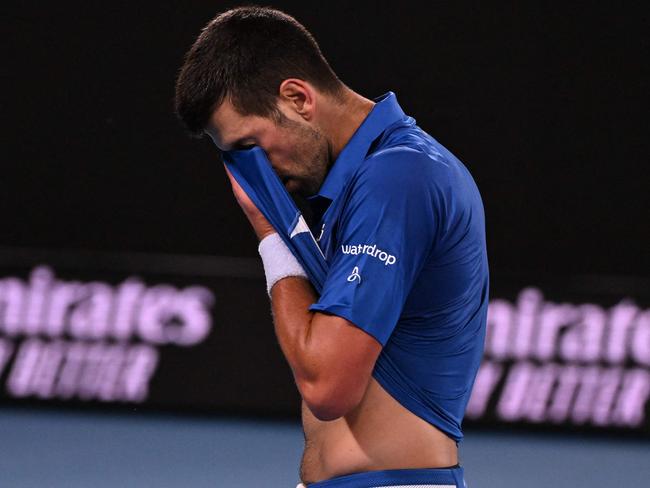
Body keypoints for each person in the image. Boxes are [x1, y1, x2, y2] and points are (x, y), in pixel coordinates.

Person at [175, 6, 488, 488]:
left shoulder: (397, 176)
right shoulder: (358, 183)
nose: (256, 173)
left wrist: (271, 233)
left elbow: (328, 386)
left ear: (298, 98)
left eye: (251, 146)